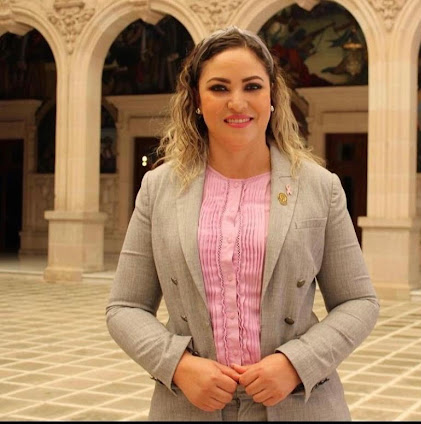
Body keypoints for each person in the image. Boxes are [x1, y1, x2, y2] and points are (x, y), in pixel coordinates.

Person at [105, 26, 379, 421]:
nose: (237, 103)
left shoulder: (319, 187)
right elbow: (125, 306)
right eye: (219, 88)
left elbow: (359, 302)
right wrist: (178, 365)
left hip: (298, 405)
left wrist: (295, 363)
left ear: (272, 96)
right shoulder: (158, 188)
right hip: (189, 407)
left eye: (252, 86)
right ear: (196, 100)